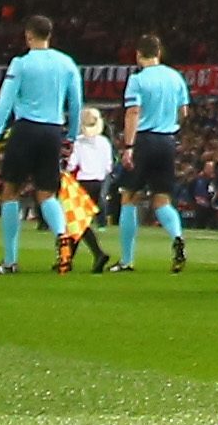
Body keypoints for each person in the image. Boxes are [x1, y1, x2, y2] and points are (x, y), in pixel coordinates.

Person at [0, 13, 83, 272]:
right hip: (52, 131)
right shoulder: (67, 64)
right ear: (50, 35)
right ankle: (62, 239)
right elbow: (75, 103)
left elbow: (6, 99)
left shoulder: (21, 64)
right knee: (46, 193)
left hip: (25, 129)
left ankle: (10, 260)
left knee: (10, 191)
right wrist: (72, 135)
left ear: (28, 35)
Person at [121, 34, 192, 267]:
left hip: (144, 140)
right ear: (159, 53)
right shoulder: (176, 77)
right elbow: (184, 113)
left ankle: (127, 260)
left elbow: (133, 112)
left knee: (129, 197)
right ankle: (178, 237)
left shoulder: (138, 80)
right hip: (167, 141)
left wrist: (129, 146)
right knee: (162, 199)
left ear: (138, 55)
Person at [67, 104, 120, 272]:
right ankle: (67, 259)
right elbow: (108, 167)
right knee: (80, 223)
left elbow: (72, 165)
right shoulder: (105, 143)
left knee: (77, 224)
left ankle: (98, 253)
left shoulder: (79, 142)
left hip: (83, 183)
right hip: (99, 182)